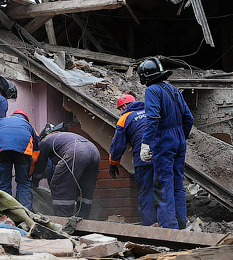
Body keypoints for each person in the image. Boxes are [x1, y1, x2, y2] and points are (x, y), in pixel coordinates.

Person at [138, 57, 194, 229]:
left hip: (164, 139)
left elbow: (153, 118)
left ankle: (168, 228)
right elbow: (189, 118)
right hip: (178, 139)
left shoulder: (152, 91)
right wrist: (179, 139)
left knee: (163, 184)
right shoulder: (174, 90)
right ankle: (181, 224)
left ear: (145, 76)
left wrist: (146, 143)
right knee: (177, 183)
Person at [108, 94, 156, 226]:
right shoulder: (152, 111)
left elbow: (118, 145)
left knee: (146, 191)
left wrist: (113, 163)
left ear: (124, 106)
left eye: (120, 109)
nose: (120, 112)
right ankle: (170, 224)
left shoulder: (124, 118)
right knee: (165, 188)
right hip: (164, 155)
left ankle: (149, 226)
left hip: (143, 158)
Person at [34, 129, 100, 218]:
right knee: (85, 187)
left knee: (60, 185)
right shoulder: (65, 137)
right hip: (94, 152)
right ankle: (83, 219)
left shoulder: (45, 141)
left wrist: (34, 181)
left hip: (77, 151)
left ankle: (63, 219)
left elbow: (40, 165)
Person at [0, 110, 39, 210]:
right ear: (25, 118)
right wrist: (29, 171)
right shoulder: (29, 126)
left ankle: (4, 212)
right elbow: (36, 152)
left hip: (2, 150)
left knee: (3, 182)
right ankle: (25, 213)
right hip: (23, 152)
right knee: (23, 183)